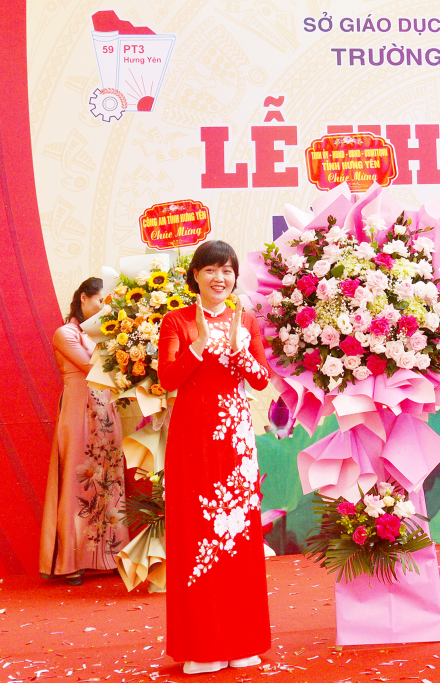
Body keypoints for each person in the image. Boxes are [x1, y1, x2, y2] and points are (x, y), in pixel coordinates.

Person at [158, 240, 271, 675]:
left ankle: (243, 641)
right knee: (196, 536)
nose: (219, 278)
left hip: (235, 442)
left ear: (235, 277)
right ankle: (201, 647)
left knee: (238, 539)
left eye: (226, 270)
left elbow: (260, 380)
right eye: (210, 270)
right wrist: (199, 345)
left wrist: (240, 352)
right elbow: (168, 378)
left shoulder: (247, 320)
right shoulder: (177, 320)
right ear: (196, 275)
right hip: (193, 438)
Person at [39, 277, 128, 585]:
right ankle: (71, 562)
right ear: (84, 299)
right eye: (100, 301)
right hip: (78, 411)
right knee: (77, 482)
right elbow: (92, 367)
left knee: (110, 481)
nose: (104, 307)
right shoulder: (66, 333)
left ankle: (112, 557)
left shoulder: (106, 334)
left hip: (106, 411)